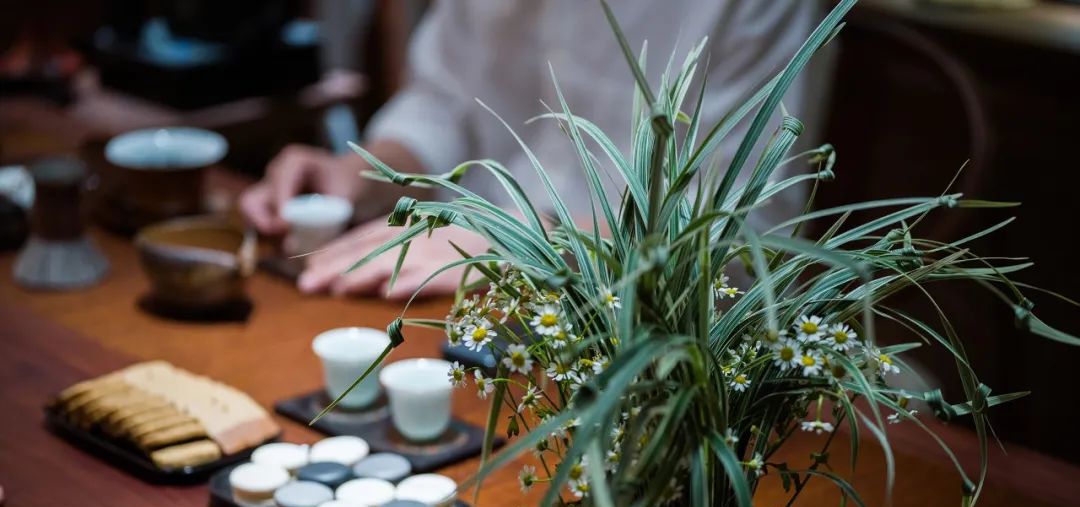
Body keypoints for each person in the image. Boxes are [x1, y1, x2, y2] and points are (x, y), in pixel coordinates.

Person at [240, 0, 831, 299]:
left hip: (653, 329)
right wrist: (367, 172)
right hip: (459, 297)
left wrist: (517, 240)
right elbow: (445, 100)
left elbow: (738, 223)